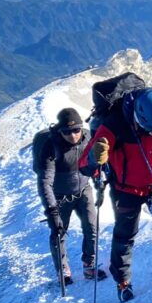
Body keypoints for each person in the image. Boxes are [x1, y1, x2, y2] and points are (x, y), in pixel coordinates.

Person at [80, 87, 152, 302]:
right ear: (138, 117)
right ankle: (122, 281)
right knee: (125, 235)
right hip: (126, 188)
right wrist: (94, 157)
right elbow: (84, 164)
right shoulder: (113, 124)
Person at [36, 108, 107, 284]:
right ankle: (63, 271)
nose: (73, 135)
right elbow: (45, 182)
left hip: (84, 189)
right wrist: (52, 211)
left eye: (76, 130)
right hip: (60, 196)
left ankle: (89, 265)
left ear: (81, 128)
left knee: (92, 227)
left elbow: (95, 163)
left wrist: (100, 182)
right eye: (67, 132)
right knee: (59, 231)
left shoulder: (89, 137)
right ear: (60, 131)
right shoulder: (51, 146)